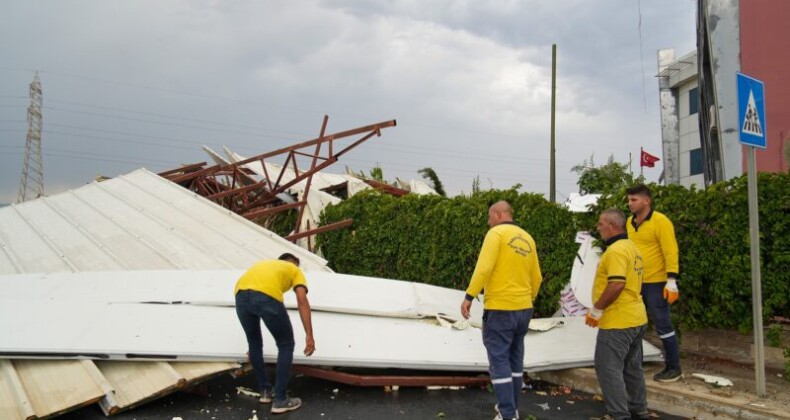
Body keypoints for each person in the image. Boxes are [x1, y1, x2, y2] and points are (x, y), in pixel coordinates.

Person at [460, 201, 542, 420]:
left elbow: (484, 268)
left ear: (497, 214)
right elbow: (537, 278)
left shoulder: (496, 234)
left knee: (499, 362)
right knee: (515, 361)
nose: (488, 221)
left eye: (489, 216)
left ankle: (507, 414)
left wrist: (469, 295)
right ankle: (511, 409)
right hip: (524, 309)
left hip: (500, 309)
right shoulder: (528, 238)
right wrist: (527, 299)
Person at [585, 208, 649, 420]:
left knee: (607, 368)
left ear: (612, 226)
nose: (598, 228)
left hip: (618, 321)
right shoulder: (632, 247)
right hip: (637, 317)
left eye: (601, 224)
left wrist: (597, 309)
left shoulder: (616, 251)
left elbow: (617, 284)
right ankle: (639, 410)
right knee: (632, 368)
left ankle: (619, 415)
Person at [234, 253, 316, 414]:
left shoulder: (265, 264)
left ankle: (265, 391)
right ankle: (280, 400)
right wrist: (309, 335)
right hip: (266, 295)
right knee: (286, 344)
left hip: (240, 294)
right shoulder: (294, 270)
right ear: (294, 264)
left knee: (254, 344)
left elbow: (252, 290)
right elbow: (302, 300)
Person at [626, 184, 682, 382]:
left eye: (634, 200)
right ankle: (634, 364)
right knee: (635, 324)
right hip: (636, 282)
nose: (630, 203)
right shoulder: (629, 222)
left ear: (646, 200)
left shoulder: (660, 221)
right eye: (629, 200)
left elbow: (670, 250)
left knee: (662, 324)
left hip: (657, 282)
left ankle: (674, 367)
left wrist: (671, 280)